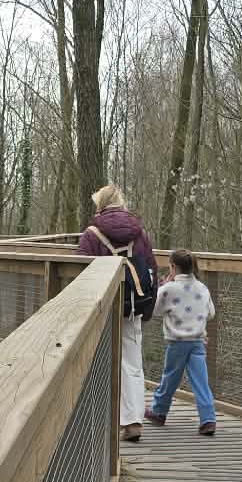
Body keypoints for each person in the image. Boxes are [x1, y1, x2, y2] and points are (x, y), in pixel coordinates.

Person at [77, 184, 155, 442]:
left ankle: (99, 420)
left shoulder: (91, 234)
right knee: (132, 363)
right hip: (132, 305)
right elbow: (152, 270)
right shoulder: (140, 233)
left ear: (100, 204)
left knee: (98, 362)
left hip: (103, 306)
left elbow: (81, 273)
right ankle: (133, 421)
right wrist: (147, 308)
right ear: (121, 203)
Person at [145, 250, 216, 436]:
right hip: (198, 341)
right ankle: (208, 419)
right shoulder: (202, 287)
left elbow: (154, 310)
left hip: (177, 342)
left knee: (170, 378)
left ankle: (159, 412)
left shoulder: (170, 288)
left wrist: (162, 287)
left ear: (173, 267)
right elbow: (211, 313)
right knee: (201, 380)